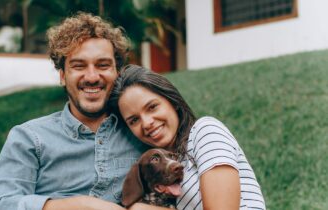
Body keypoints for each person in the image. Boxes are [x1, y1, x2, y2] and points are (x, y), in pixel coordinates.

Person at [0, 13, 171, 210]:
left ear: (117, 73)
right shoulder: (29, 138)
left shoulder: (141, 132)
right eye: (79, 66)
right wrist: (80, 205)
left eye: (103, 65)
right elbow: (1, 203)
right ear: (63, 76)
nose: (92, 77)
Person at [109, 65, 266, 210]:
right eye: (134, 120)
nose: (147, 123)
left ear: (172, 101)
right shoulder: (164, 174)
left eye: (152, 107)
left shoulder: (205, 131)